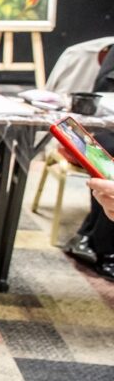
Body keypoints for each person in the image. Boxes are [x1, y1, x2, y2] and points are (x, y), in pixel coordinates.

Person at [64, 46, 114, 279]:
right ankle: (100, 244)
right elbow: (103, 93)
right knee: (103, 153)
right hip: (108, 126)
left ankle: (91, 237)